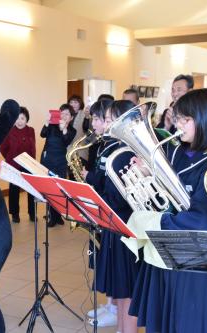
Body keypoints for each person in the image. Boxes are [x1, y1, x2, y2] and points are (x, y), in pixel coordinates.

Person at [131, 88, 207, 333]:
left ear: (206, 119)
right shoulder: (177, 150)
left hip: (199, 264)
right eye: (176, 118)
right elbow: (166, 196)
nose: (178, 125)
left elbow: (203, 219)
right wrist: (150, 177)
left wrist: (156, 222)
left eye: (185, 119)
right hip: (166, 255)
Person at [88, 100, 140, 331]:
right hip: (113, 223)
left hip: (126, 227)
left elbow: (124, 197)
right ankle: (121, 328)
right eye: (106, 119)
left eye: (110, 119)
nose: (107, 124)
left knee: (127, 288)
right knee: (119, 289)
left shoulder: (128, 153)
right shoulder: (114, 149)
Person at [80, 99, 121, 328]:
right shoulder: (102, 144)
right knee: (101, 258)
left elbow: (105, 181)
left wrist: (88, 178)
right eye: (96, 118)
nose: (96, 123)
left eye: (101, 119)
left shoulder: (115, 147)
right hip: (101, 208)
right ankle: (109, 304)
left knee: (113, 262)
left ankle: (115, 307)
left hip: (113, 212)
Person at [40, 103, 76, 227]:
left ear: (71, 118)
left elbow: (67, 141)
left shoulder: (72, 130)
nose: (64, 116)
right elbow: (42, 134)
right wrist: (46, 122)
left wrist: (64, 129)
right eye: (62, 113)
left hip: (60, 161)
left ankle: (58, 215)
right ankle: (52, 216)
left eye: (67, 114)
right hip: (48, 159)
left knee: (59, 189)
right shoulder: (52, 125)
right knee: (49, 189)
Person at [0, 106, 36, 223]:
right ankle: (15, 214)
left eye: (22, 118)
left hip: (28, 165)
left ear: (27, 119)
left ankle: (32, 213)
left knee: (31, 190)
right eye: (17, 118)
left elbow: (33, 147)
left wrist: (32, 163)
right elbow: (3, 148)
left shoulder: (31, 130)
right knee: (14, 190)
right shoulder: (10, 131)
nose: (19, 121)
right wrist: (10, 158)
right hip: (14, 165)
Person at [67, 95, 90, 170]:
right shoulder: (66, 115)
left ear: (80, 104)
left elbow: (86, 129)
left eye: (75, 102)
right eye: (71, 102)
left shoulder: (84, 115)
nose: (73, 104)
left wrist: (87, 117)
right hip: (67, 152)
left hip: (80, 152)